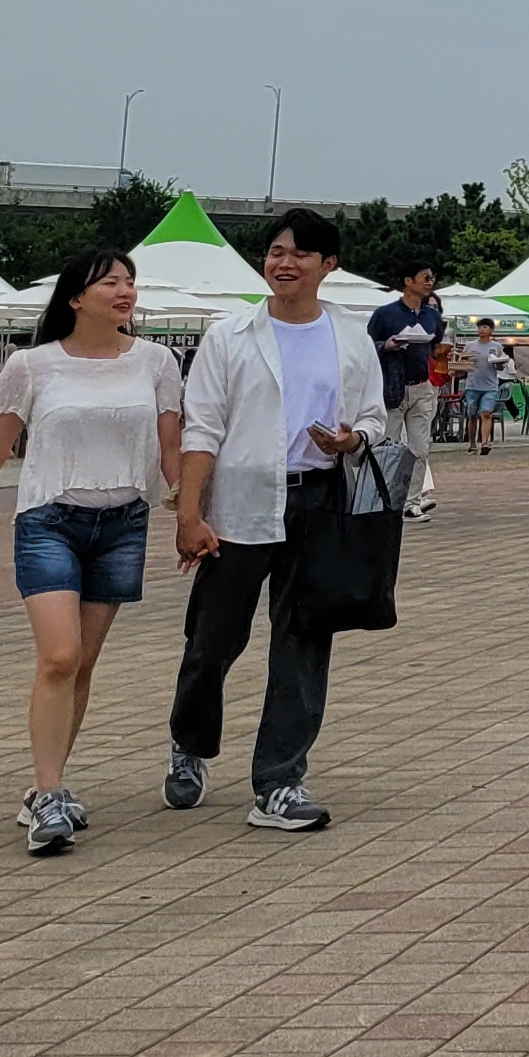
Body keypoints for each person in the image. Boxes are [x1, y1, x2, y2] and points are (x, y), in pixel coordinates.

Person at [0, 248, 187, 855]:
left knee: (82, 664)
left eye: (130, 282)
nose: (124, 291)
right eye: (109, 282)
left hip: (123, 522)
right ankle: (47, 797)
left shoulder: (157, 361)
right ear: (75, 298)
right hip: (49, 521)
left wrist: (189, 514)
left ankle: (48, 786)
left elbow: (170, 447)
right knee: (60, 656)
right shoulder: (32, 365)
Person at [167, 206, 388, 831]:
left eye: (300, 254)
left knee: (303, 640)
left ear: (328, 265)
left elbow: (373, 417)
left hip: (319, 500)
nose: (284, 263)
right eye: (275, 252)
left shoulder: (350, 335)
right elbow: (202, 429)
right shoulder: (230, 335)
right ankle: (189, 743)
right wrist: (189, 512)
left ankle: (280, 781)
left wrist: (351, 440)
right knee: (213, 639)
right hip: (241, 503)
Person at [369, 263, 447, 518]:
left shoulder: (432, 316)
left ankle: (411, 502)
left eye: (432, 277)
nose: (430, 282)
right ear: (408, 281)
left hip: (422, 386)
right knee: (388, 447)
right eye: (425, 277)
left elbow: (435, 343)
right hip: (393, 387)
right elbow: (368, 346)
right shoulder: (385, 314)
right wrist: (387, 345)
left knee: (419, 448)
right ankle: (385, 501)